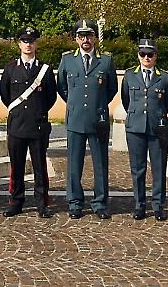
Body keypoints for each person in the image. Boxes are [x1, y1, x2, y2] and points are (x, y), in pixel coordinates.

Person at [57, 19, 118, 220]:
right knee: (74, 163)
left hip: (98, 118)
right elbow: (63, 88)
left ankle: (100, 202)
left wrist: (97, 106)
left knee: (100, 163)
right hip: (75, 119)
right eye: (81, 36)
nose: (86, 40)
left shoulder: (106, 61)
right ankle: (75, 202)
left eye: (89, 36)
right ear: (76, 39)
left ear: (94, 38)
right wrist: (74, 105)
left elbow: (111, 89)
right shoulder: (67, 61)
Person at [0, 26, 57, 218]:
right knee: (16, 166)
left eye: (31, 41)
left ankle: (42, 203)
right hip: (17, 125)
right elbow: (5, 96)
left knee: (40, 167)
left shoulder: (45, 70)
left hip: (37, 125)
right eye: (25, 41)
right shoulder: (10, 69)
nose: (28, 45)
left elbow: (50, 98)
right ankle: (16, 201)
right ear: (19, 44)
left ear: (36, 44)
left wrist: (37, 112)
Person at [121, 38, 168, 221]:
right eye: (143, 54)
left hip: (157, 127)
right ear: (138, 56)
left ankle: (158, 205)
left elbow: (166, 103)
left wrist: (155, 116)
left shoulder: (164, 77)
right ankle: (139, 204)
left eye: (150, 54)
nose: (146, 58)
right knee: (138, 168)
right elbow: (126, 100)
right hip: (135, 127)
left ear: (156, 56)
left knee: (158, 168)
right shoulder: (129, 75)